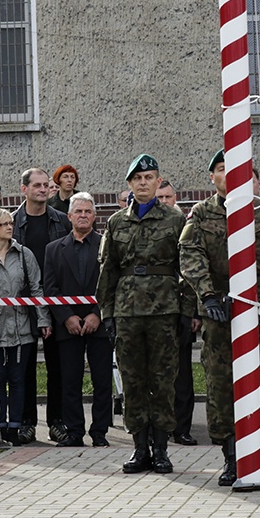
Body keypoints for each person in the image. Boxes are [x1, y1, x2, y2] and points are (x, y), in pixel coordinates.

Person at [179, 149, 260, 486]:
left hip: (256, 309)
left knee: (256, 381)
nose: (229, 174)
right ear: (212, 177)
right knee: (221, 384)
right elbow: (190, 255)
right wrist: (206, 293)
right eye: (222, 169)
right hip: (219, 310)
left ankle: (255, 455)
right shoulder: (201, 213)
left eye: (238, 169)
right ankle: (231, 457)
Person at [97, 154, 185, 473]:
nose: (144, 183)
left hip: (164, 311)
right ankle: (139, 448)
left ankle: (160, 448)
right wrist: (107, 313)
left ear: (158, 181)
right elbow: (108, 269)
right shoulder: (117, 222)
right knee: (132, 381)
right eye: (138, 179)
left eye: (149, 178)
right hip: (128, 311)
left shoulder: (175, 220)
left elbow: (185, 267)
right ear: (130, 184)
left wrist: (187, 312)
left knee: (162, 379)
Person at [0, 208, 50, 445]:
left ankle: (15, 427)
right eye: (4, 224)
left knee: (17, 378)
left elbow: (37, 290)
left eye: (10, 223)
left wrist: (43, 320)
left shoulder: (24, 255)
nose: (9, 227)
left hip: (21, 326)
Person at [44, 192, 114, 447]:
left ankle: (100, 432)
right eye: (79, 212)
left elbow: (111, 284)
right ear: (69, 216)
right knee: (69, 381)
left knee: (102, 380)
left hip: (100, 324)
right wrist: (67, 317)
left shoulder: (108, 244)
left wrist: (97, 314)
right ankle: (74, 432)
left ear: (95, 217)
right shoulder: (53, 249)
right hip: (68, 327)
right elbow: (50, 288)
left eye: (88, 212)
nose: (83, 216)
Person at [11, 168, 71, 443]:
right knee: (24, 367)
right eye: (36, 185)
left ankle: (57, 421)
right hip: (21, 303)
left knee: (57, 365)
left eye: (46, 185)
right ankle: (26, 422)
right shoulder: (11, 223)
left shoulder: (61, 221)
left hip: (55, 300)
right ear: (24, 189)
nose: (43, 190)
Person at [155, 180, 201, 445]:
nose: (163, 201)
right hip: (154, 311)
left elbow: (194, 272)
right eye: (159, 197)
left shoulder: (186, 226)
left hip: (181, 311)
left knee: (183, 376)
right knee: (158, 374)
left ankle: (182, 428)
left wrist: (193, 312)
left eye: (167, 196)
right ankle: (161, 426)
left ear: (175, 198)